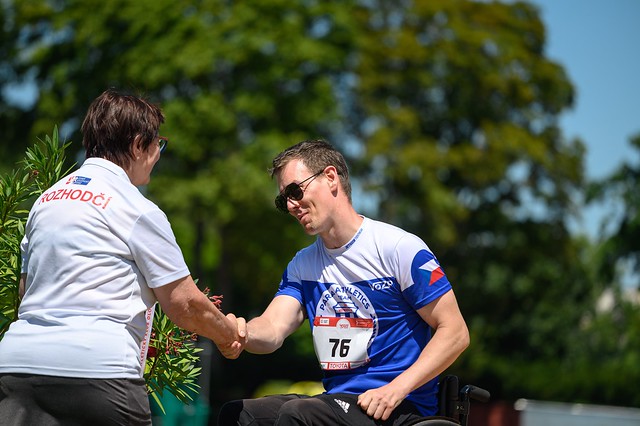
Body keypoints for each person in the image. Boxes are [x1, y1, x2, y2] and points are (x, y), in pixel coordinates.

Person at [0, 89, 242, 425]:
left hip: (17, 368)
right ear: (139, 144)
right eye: (158, 145)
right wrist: (228, 335)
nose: (158, 156)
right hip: (98, 371)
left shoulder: (45, 202)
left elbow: (26, 291)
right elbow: (184, 304)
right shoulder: (136, 208)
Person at [218, 139, 470, 425]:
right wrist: (240, 332)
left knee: (298, 415)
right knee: (239, 415)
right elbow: (273, 327)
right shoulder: (303, 265)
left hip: (402, 408)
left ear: (330, 177)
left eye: (295, 191)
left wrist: (395, 389)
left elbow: (455, 333)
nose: (290, 205)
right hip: (340, 404)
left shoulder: (399, 248)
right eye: (283, 199)